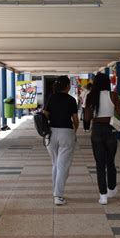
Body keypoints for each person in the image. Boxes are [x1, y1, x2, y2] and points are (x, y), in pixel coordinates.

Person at [84, 73, 120, 205]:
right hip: (110, 130)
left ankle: (103, 195)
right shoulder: (112, 95)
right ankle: (111, 189)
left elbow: (88, 118)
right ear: (107, 82)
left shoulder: (91, 96)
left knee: (100, 164)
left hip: (96, 131)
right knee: (110, 161)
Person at [43, 76, 79, 206]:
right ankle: (58, 195)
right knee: (63, 165)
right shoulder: (71, 100)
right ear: (67, 86)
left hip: (51, 133)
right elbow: (75, 120)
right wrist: (73, 133)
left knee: (55, 164)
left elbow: (45, 114)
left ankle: (55, 191)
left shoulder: (51, 98)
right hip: (66, 132)